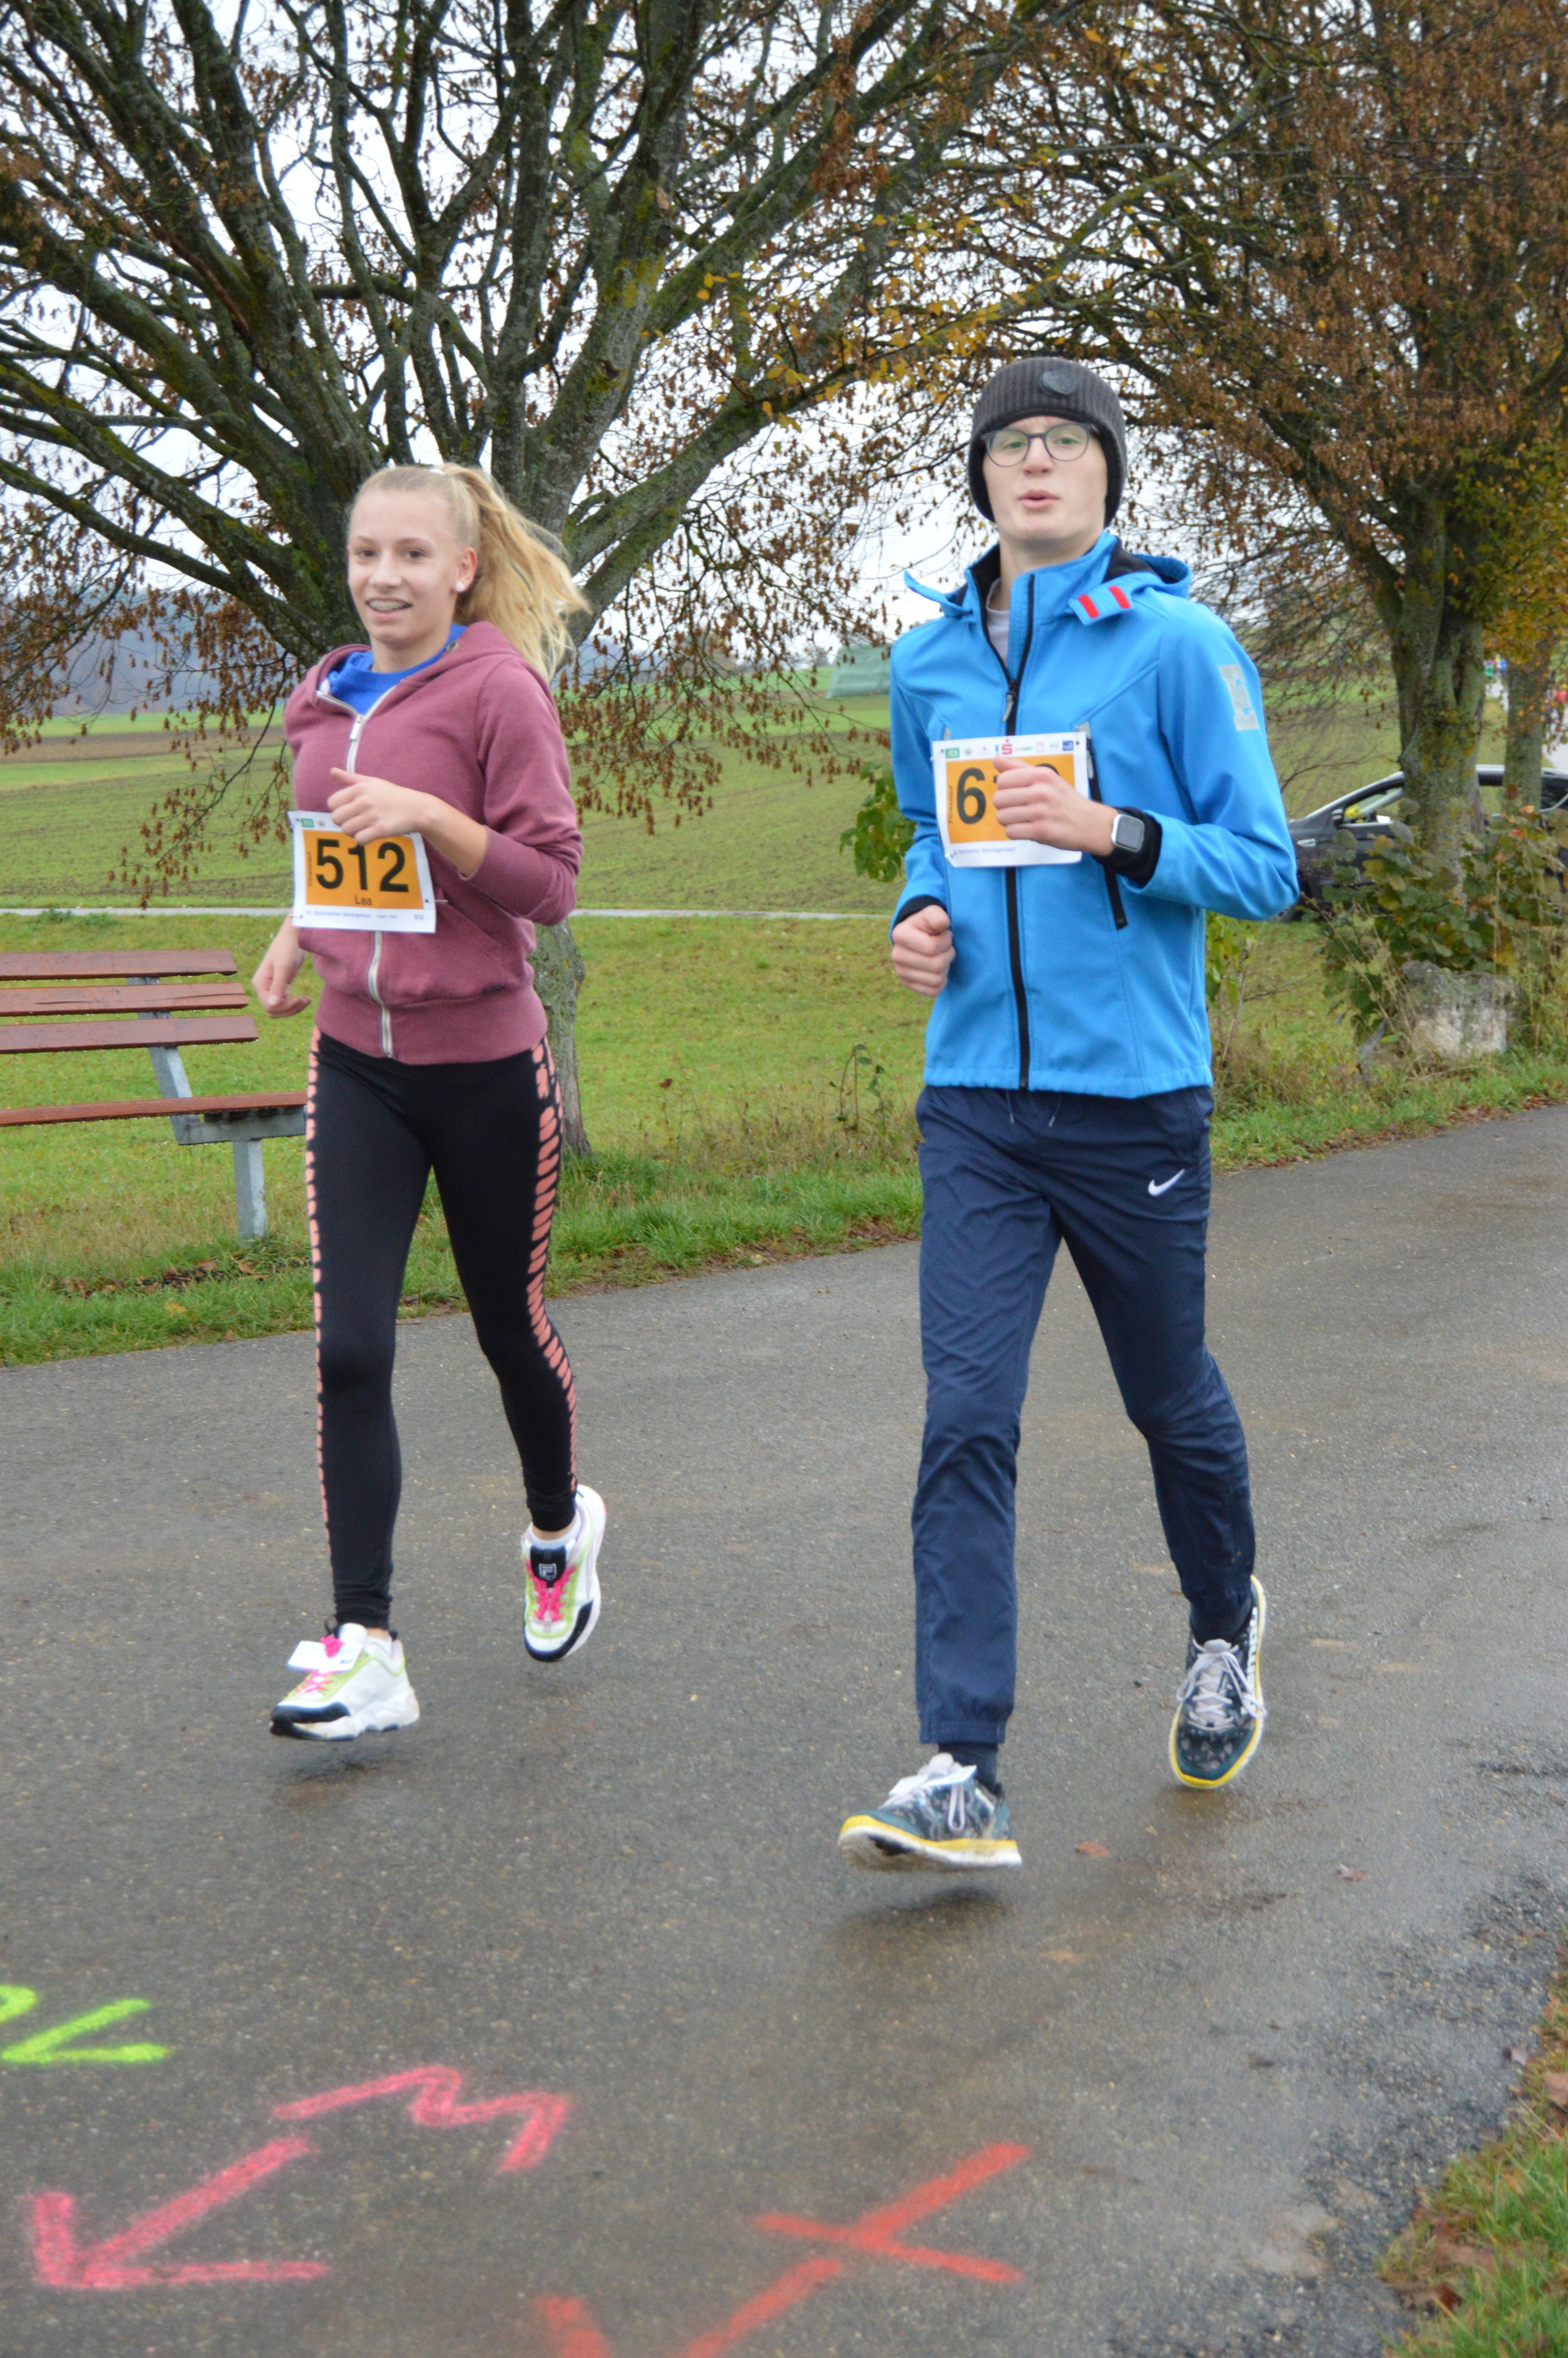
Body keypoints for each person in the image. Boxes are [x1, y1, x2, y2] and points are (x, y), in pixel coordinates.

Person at [837, 358, 1298, 1872]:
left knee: (1168, 1397)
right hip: (975, 1101)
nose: (1036, 462)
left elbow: (1265, 867)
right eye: (1010, 444)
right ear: (981, 478)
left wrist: (1113, 831)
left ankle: (1222, 1627)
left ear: (1107, 472)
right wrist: (918, 913)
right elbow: (931, 829)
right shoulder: (928, 664)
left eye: (1066, 441)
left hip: (1133, 1103)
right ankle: (960, 1767)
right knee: (966, 1416)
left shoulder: (1178, 647)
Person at [254, 462, 606, 1741]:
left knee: (507, 1325)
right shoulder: (322, 696)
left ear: (462, 569)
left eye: (411, 555)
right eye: (366, 554)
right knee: (350, 1347)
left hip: (483, 1070)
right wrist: (297, 930)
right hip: (356, 1064)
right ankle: (367, 1644)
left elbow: (549, 883)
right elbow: (339, 856)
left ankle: (559, 1530)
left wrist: (432, 818)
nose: (383, 576)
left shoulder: (499, 690)